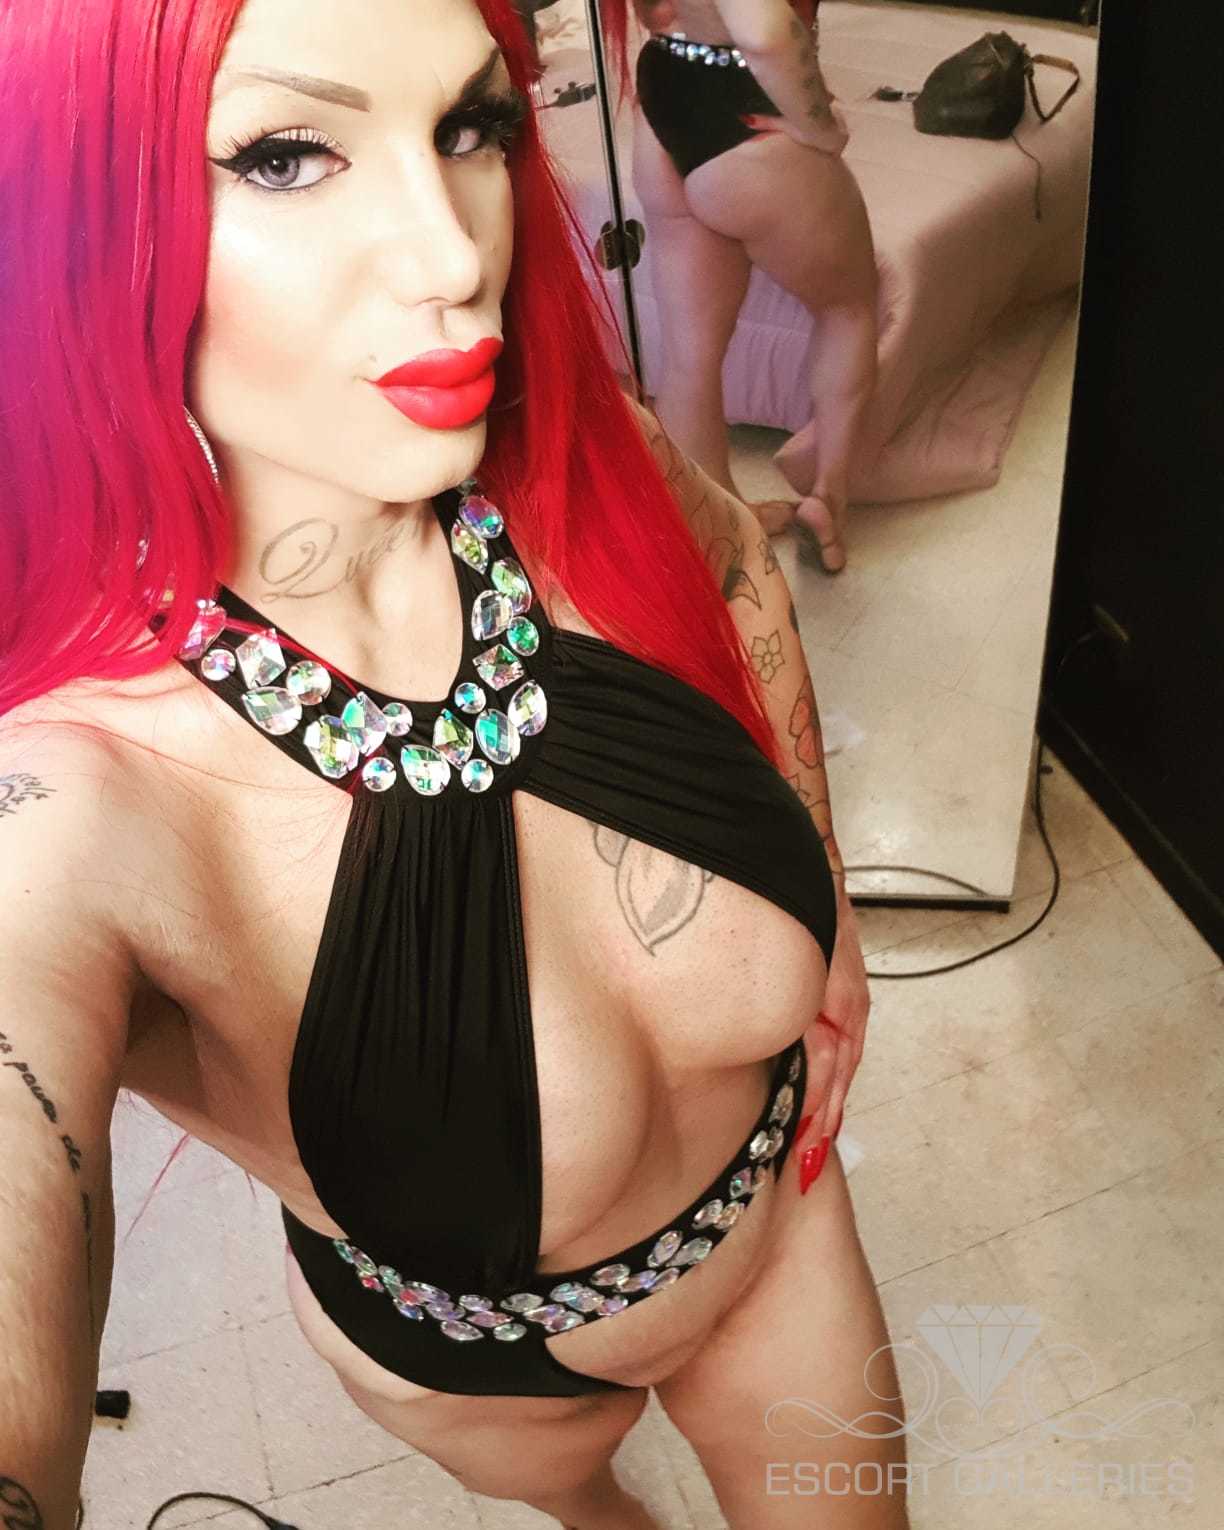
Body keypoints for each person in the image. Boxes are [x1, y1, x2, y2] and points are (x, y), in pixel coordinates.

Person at [0, 0, 908, 1526]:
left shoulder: (577, 470)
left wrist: (829, 912)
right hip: (478, 1374)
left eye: (472, 127)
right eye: (286, 155)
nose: (452, 256)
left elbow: (739, 566)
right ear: (64, 212)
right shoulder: (75, 795)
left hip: (778, 1240)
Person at [604, 0, 879, 572]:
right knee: (848, 307)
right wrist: (821, 128)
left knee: (690, 356)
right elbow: (764, 29)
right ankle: (828, 501)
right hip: (747, 108)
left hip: (665, 90)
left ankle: (718, 529)